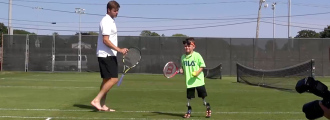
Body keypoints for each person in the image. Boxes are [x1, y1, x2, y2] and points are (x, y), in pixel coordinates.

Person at [91, 0, 128, 112]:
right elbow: (105, 40)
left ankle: (102, 105)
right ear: (108, 10)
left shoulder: (111, 21)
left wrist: (118, 50)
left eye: (117, 10)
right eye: (115, 10)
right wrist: (119, 50)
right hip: (105, 55)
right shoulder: (106, 21)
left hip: (109, 54)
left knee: (106, 80)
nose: (117, 12)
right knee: (114, 79)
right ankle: (96, 100)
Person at [180, 37, 211, 118]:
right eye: (185, 46)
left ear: (193, 46)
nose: (187, 47)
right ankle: (189, 110)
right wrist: (181, 70)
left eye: (189, 46)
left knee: (203, 97)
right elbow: (183, 68)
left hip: (199, 81)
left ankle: (207, 107)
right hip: (189, 82)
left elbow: (202, 66)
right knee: (189, 98)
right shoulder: (183, 57)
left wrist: (197, 72)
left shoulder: (197, 55)